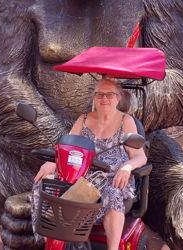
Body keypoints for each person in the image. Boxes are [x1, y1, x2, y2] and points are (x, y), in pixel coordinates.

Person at [34, 78, 148, 250]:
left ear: (118, 98)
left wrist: (127, 167)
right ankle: (48, 240)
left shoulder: (126, 121)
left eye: (110, 94)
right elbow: (67, 147)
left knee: (113, 193)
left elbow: (140, 157)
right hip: (81, 176)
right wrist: (54, 162)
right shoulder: (84, 119)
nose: (104, 99)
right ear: (94, 98)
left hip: (113, 178)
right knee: (44, 181)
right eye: (99, 94)